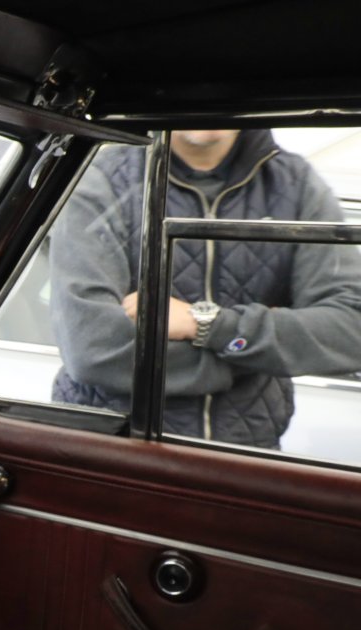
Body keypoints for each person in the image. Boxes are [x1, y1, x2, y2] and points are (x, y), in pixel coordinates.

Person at [49, 129, 361, 448]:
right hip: (115, 453)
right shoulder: (101, 180)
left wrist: (207, 324)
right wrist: (256, 351)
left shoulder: (296, 185)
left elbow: (352, 330)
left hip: (242, 455)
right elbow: (93, 349)